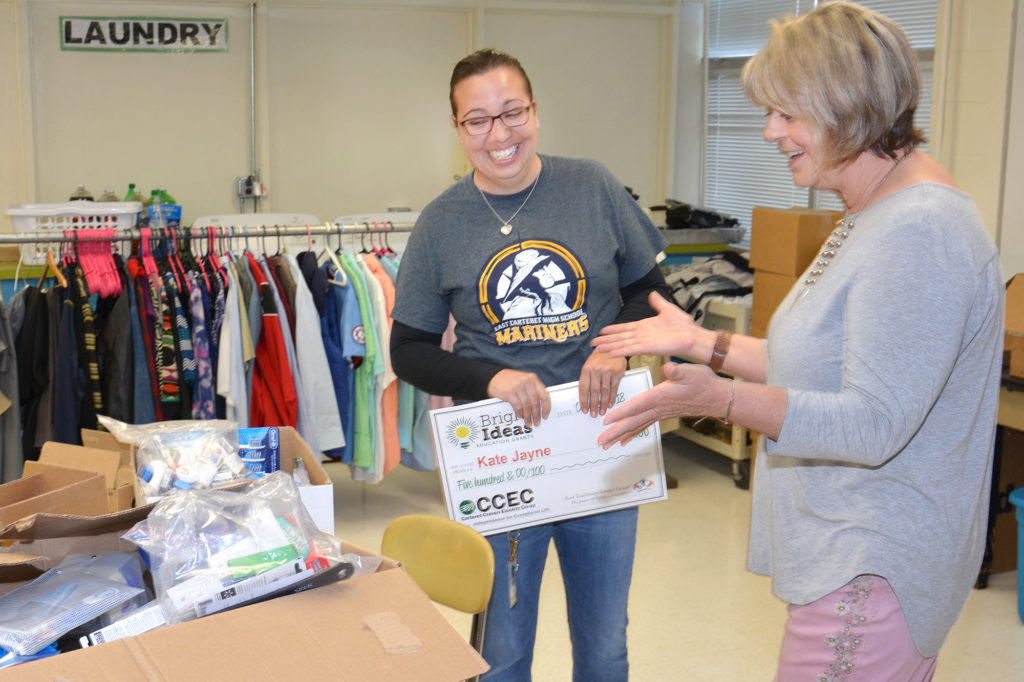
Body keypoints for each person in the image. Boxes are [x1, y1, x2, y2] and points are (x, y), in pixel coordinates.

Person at [592, 3, 1003, 680]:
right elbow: (824, 368)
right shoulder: (870, 210)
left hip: (876, 567)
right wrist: (703, 343)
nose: (768, 132)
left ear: (848, 106)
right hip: (848, 557)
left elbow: (873, 422)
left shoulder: (920, 231)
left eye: (786, 112)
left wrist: (722, 401)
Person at [390, 48, 671, 681]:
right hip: (502, 456)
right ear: (458, 130)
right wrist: (490, 378)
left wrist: (614, 345)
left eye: (511, 112)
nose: (499, 135)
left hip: (599, 440)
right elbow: (407, 350)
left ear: (535, 112)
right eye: (477, 120)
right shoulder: (439, 224)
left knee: (604, 645)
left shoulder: (592, 186)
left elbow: (653, 295)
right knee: (502, 651)